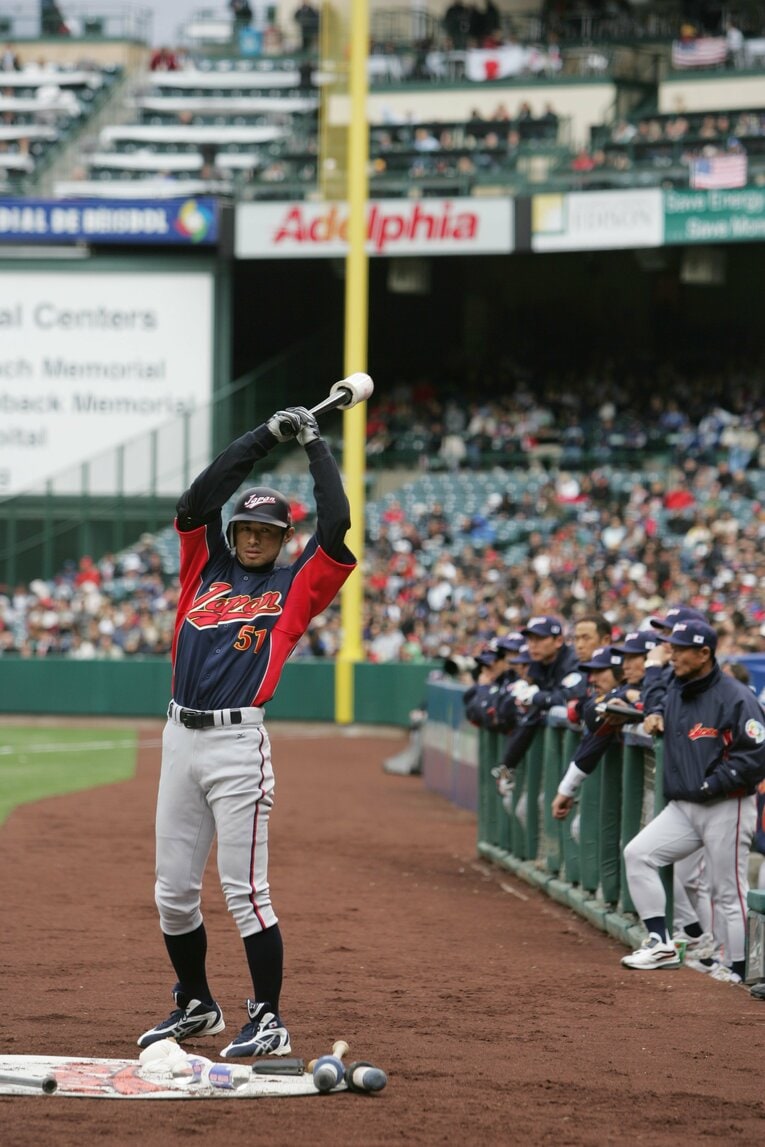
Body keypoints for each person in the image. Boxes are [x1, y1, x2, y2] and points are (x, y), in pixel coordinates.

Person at [136, 405, 357, 1057]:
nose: (255, 537)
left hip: (237, 745)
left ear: (283, 538)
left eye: (267, 530)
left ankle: (268, 1018)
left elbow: (337, 525)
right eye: (246, 528)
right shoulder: (202, 570)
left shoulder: (296, 586)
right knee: (173, 892)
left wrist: (314, 445)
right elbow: (195, 499)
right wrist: (263, 438)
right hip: (179, 737)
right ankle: (196, 1003)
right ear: (232, 531)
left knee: (246, 891)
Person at [620, 620, 765, 982]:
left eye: (681, 649)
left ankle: (739, 970)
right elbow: (655, 697)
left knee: (727, 891)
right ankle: (660, 942)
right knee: (638, 854)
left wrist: (713, 784)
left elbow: (755, 755)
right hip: (685, 805)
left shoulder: (736, 696)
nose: (672, 655)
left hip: (727, 804)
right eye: (671, 648)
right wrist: (653, 711)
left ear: (704, 653)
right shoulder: (677, 687)